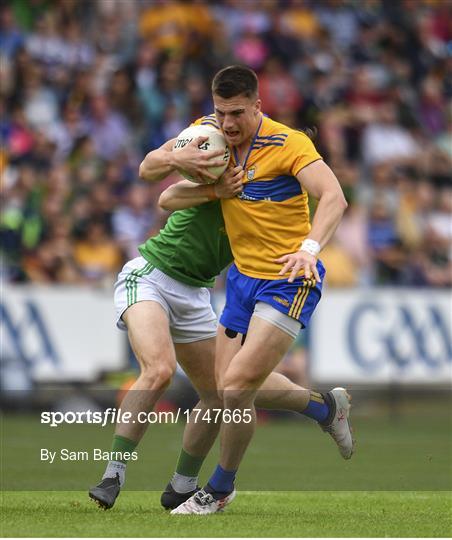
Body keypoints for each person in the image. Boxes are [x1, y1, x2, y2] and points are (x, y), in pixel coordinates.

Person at [88, 120, 353, 511]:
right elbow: (163, 196)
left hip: (197, 294)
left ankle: (184, 484)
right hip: (151, 275)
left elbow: (325, 197)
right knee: (159, 370)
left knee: (224, 393)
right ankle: (113, 475)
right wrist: (206, 181)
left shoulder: (274, 198)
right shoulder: (224, 164)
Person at [168, 65, 350, 515]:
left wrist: (310, 248)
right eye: (219, 112)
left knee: (234, 389)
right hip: (241, 281)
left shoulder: (289, 143)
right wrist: (191, 170)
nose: (228, 123)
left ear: (257, 106)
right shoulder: (207, 138)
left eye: (236, 113)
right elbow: (159, 188)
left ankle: (219, 489)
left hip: (290, 277)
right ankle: (325, 410)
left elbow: (335, 197)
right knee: (226, 389)